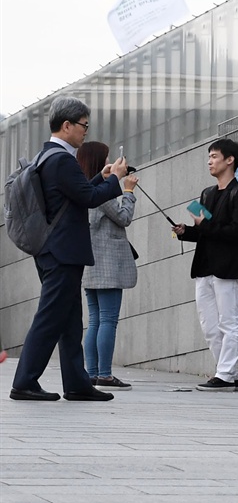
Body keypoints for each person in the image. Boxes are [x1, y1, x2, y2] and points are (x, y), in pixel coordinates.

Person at [10, 97, 126, 402]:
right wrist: (116, 180)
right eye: (84, 126)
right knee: (50, 318)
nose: (86, 131)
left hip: (53, 249)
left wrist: (98, 179)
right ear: (67, 125)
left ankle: (77, 383)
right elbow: (88, 199)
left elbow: (75, 194)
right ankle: (24, 381)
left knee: (70, 319)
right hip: (61, 251)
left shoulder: (46, 157)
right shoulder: (62, 160)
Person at [173, 138, 238, 392]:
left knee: (229, 322)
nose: (210, 161)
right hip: (205, 266)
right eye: (209, 156)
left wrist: (203, 226)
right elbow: (204, 232)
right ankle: (228, 373)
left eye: (215, 156)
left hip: (228, 268)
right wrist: (185, 231)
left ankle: (226, 375)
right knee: (209, 325)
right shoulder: (207, 194)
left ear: (230, 160)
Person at [78, 141, 139, 390]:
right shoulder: (101, 192)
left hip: (89, 263)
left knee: (94, 320)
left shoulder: (81, 189)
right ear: (98, 162)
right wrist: (128, 192)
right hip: (108, 264)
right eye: (107, 159)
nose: (111, 163)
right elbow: (123, 217)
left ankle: (92, 373)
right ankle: (104, 373)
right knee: (108, 320)